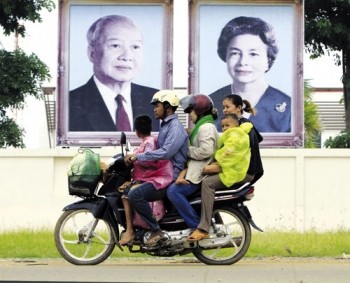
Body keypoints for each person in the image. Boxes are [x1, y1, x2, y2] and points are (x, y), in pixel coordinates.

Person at [69, 15, 160, 132]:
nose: (127, 56)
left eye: (135, 47)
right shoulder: (69, 104)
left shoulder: (156, 100)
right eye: (115, 45)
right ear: (92, 53)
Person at [125, 90, 188, 246]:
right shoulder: (165, 126)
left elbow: (166, 152)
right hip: (161, 174)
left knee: (135, 195)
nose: (154, 109)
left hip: (170, 176)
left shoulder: (175, 127)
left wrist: (138, 157)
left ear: (167, 107)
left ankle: (155, 229)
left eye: (157, 106)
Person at [209, 16, 291, 133]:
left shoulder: (288, 108)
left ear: (268, 60)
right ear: (225, 56)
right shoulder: (210, 104)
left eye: (253, 54)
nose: (243, 62)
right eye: (235, 53)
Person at [187, 114, 252, 241]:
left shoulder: (236, 137)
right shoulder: (235, 134)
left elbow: (227, 156)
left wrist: (209, 167)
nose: (225, 128)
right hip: (231, 169)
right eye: (222, 126)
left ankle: (204, 228)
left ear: (236, 125)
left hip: (233, 172)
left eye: (228, 125)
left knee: (207, 183)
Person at [166, 94, 219, 230]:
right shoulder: (201, 127)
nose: (189, 114)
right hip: (195, 170)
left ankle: (196, 226)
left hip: (199, 174)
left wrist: (186, 150)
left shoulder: (206, 127)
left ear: (199, 110)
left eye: (191, 111)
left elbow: (206, 151)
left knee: (173, 192)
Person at [119, 115, 173, 246]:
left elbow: (149, 161)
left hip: (158, 179)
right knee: (125, 193)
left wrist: (134, 158)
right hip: (150, 178)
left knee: (131, 194)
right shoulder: (147, 141)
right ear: (150, 127)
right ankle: (130, 230)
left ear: (136, 131)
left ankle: (154, 228)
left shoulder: (150, 142)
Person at [222, 94, 264, 184]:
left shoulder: (244, 126)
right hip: (244, 169)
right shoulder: (239, 124)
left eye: (227, 107)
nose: (224, 110)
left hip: (245, 170)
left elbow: (238, 149)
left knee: (208, 182)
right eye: (223, 107)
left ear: (239, 108)